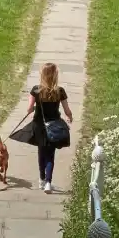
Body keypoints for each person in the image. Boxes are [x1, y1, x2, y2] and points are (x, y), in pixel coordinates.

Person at [27, 62, 73, 193]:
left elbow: (29, 109)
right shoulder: (60, 91)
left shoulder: (36, 90)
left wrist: (34, 108)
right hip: (54, 126)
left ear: (42, 75)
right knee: (50, 155)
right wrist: (70, 117)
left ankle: (41, 180)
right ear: (55, 76)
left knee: (41, 153)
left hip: (39, 126)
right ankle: (48, 182)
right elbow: (67, 110)